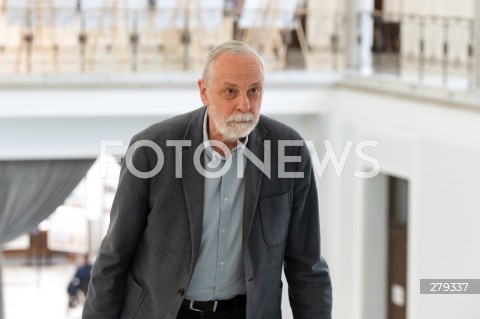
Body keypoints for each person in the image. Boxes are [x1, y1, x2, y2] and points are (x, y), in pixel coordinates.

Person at [83, 40, 332, 319]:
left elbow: (306, 266)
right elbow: (114, 255)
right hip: (166, 311)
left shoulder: (290, 151)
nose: (244, 104)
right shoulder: (151, 150)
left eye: (254, 90)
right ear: (204, 92)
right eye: (230, 91)